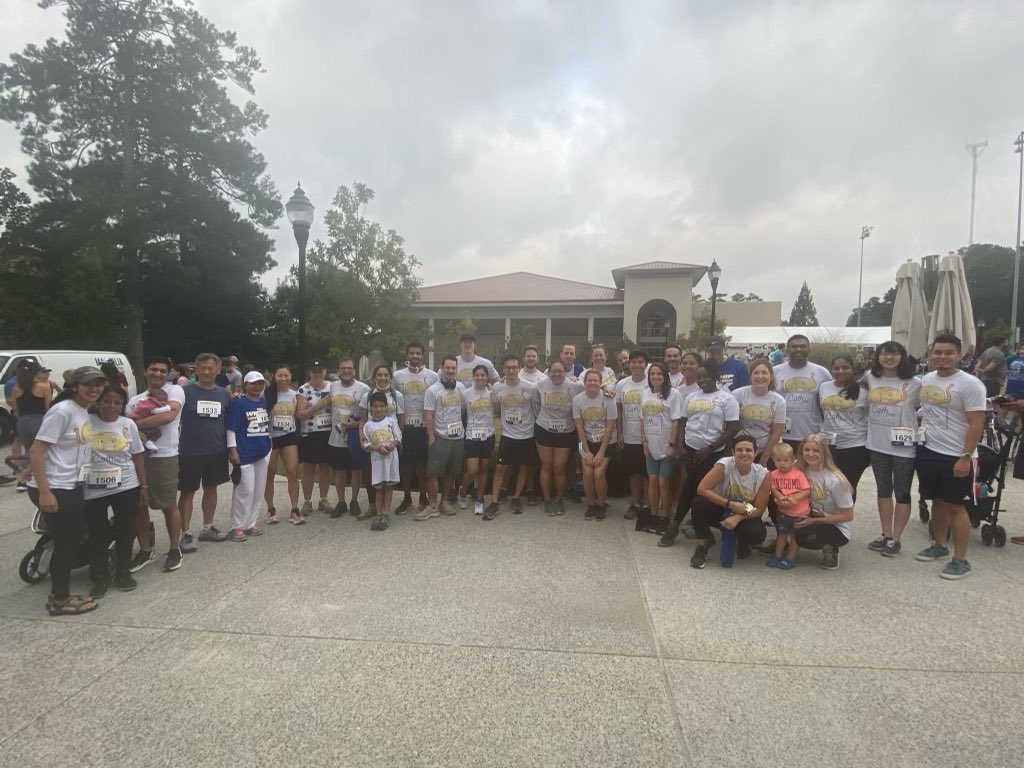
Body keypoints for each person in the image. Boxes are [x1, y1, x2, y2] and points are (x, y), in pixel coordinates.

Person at [27, 366, 107, 614]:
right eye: (88, 384)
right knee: (66, 543)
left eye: (98, 384)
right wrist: (44, 492)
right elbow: (36, 450)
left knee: (68, 540)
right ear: (75, 386)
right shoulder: (62, 411)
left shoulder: (81, 410)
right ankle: (59, 599)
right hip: (56, 487)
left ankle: (59, 594)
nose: (94, 388)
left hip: (71, 485)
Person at [914, 333, 986, 580]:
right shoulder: (926, 379)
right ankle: (940, 545)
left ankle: (961, 559)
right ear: (931, 354)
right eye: (937, 352)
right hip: (929, 449)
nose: (942, 357)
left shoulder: (970, 384)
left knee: (957, 506)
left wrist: (965, 456)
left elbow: (977, 423)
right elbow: (926, 411)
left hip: (956, 454)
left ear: (959, 354)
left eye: (948, 353)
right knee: (937, 501)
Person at [659, 359, 740, 548]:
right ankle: (683, 527)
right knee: (690, 488)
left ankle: (676, 527)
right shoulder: (691, 397)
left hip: (712, 454)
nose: (702, 380)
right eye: (700, 377)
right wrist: (681, 448)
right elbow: (684, 423)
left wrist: (710, 448)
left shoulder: (727, 399)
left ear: (715, 377)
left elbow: (733, 428)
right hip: (690, 452)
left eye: (706, 377)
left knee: (694, 490)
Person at [84, 385, 147, 593]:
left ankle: (123, 572)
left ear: (122, 405)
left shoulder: (128, 424)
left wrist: (143, 485)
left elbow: (137, 455)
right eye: (107, 401)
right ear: (98, 402)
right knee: (97, 533)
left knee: (125, 530)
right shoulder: (86, 422)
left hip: (126, 485)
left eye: (117, 402)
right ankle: (100, 576)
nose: (112, 406)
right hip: (93, 489)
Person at [127, 357, 186, 574]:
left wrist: (132, 425)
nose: (158, 374)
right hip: (138, 456)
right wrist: (132, 429)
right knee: (139, 505)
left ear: (168, 373)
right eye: (154, 370)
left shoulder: (175, 392)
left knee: (169, 504)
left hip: (165, 456)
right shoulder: (135, 400)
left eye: (163, 370)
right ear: (145, 371)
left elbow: (168, 417)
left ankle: (174, 548)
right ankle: (145, 550)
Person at [864, 341, 921, 557]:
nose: (889, 358)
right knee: (883, 490)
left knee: (903, 492)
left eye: (894, 354)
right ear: (878, 356)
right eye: (885, 354)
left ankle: (897, 538)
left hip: (904, 447)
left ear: (902, 356)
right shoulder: (870, 378)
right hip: (877, 444)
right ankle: (886, 534)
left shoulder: (915, 383)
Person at [176, 353, 232, 553]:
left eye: (211, 368)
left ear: (218, 370)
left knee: (211, 489)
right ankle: (185, 533)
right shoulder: (183, 393)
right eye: (203, 368)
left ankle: (207, 527)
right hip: (189, 451)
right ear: (195, 370)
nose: (207, 372)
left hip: (216, 450)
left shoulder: (224, 394)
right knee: (188, 492)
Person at [689, 434, 771, 569]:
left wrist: (738, 517)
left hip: (745, 512)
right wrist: (730, 504)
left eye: (749, 450)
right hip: (721, 508)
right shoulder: (724, 465)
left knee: (757, 534)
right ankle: (702, 545)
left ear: (755, 453)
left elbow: (759, 509)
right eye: (739, 450)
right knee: (699, 503)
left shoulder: (764, 475)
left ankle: (742, 542)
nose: (744, 453)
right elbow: (702, 489)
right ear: (733, 452)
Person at [483, 355, 538, 520]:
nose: (512, 370)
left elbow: (537, 406)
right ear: (503, 369)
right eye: (508, 367)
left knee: (523, 467)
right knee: (500, 468)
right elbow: (496, 406)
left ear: (519, 368)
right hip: (508, 435)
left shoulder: (530, 388)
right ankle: (494, 502)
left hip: (527, 435)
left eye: (514, 367)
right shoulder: (498, 388)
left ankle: (515, 497)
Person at [792, 434, 855, 570]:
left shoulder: (836, 480)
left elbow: (848, 516)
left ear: (824, 453)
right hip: (811, 514)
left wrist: (813, 521)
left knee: (802, 535)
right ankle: (785, 545)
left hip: (836, 527)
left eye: (816, 450)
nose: (811, 454)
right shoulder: (800, 468)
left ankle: (831, 547)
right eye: (807, 450)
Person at [393, 343, 439, 515]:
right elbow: (393, 400)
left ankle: (422, 496)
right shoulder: (397, 376)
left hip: (424, 427)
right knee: (405, 464)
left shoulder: (432, 376)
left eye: (418, 353)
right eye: (411, 353)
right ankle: (406, 498)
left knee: (423, 465)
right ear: (407, 355)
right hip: (405, 426)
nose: (415, 356)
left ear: (423, 355)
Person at [226, 371, 272, 541]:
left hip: (262, 451)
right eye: (253, 383)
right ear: (245, 384)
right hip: (244, 452)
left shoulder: (263, 401)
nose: (257, 387)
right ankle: (236, 525)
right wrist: (232, 450)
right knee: (245, 490)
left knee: (258, 490)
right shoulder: (238, 404)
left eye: (260, 383)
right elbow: (231, 428)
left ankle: (251, 522)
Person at [533, 359, 582, 516]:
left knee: (559, 467)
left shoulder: (575, 386)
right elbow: (535, 404)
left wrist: (607, 387)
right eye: (553, 371)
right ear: (548, 372)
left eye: (560, 371)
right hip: (544, 429)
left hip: (566, 431)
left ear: (565, 372)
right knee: (546, 466)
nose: (556, 374)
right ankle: (547, 499)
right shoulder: (540, 385)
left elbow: (593, 386)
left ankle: (559, 499)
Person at [419, 355, 465, 520]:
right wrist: (431, 437)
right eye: (448, 368)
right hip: (440, 437)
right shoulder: (433, 390)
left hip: (458, 438)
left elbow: (464, 410)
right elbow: (428, 416)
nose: (451, 371)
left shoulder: (461, 387)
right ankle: (432, 505)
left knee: (451, 472)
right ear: (442, 368)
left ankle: (444, 502)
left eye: (454, 368)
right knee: (432, 472)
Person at [818, 353, 870, 498]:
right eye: (836, 368)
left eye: (845, 368)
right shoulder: (824, 387)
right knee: (827, 485)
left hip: (855, 446)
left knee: (847, 486)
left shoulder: (864, 390)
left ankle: (844, 519)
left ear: (852, 369)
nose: (840, 371)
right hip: (828, 445)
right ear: (831, 370)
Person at [327, 357, 371, 520]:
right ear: (338, 370)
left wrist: (357, 423)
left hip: (354, 435)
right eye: (343, 368)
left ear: (354, 370)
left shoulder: (363, 388)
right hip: (336, 436)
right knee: (339, 471)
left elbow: (368, 413)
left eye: (349, 368)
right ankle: (340, 502)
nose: (346, 371)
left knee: (355, 470)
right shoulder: (332, 387)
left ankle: (353, 501)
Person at [358, 365, 405, 515]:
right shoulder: (367, 396)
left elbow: (401, 419)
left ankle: (384, 512)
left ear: (390, 377)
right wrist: (363, 440)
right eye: (379, 375)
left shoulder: (397, 395)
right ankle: (373, 508)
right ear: (374, 377)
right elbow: (363, 419)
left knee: (388, 480)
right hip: (373, 443)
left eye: (386, 375)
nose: (383, 378)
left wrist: (396, 443)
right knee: (372, 477)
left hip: (390, 444)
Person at [640, 362, 683, 523]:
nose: (655, 377)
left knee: (663, 481)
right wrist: (644, 442)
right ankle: (653, 513)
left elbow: (676, 422)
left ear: (665, 376)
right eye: (652, 374)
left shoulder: (673, 394)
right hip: (650, 445)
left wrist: (671, 445)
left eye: (659, 374)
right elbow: (642, 419)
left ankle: (665, 515)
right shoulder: (645, 394)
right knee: (652, 480)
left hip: (666, 446)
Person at [572, 369, 617, 520]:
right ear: (584, 383)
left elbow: (610, 426)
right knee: (587, 473)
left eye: (595, 380)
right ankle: (591, 505)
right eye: (589, 380)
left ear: (600, 383)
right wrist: (587, 451)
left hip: (607, 441)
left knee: (598, 474)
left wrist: (601, 453)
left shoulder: (608, 399)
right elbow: (579, 426)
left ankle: (601, 505)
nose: (592, 383)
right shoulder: (578, 400)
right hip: (586, 441)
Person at [772, 334, 831, 446]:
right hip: (781, 436)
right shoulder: (775, 372)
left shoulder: (822, 373)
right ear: (787, 349)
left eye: (803, 346)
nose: (799, 349)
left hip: (812, 435)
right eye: (794, 346)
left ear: (809, 349)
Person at [265, 363, 303, 525]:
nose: (283, 378)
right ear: (274, 376)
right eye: (280, 375)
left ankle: (294, 509)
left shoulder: (295, 395)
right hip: (270, 437)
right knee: (270, 473)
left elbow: (299, 415)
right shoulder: (266, 395)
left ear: (290, 377)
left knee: (292, 472)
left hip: (288, 436)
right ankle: (270, 509)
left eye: (286, 375)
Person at [295, 361, 334, 516]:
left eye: (320, 371)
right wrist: (317, 406)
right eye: (314, 371)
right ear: (309, 373)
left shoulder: (332, 387)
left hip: (328, 432)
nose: (317, 374)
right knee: (308, 468)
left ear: (325, 371)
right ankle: (307, 501)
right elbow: (300, 414)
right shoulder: (303, 389)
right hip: (310, 433)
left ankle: (323, 499)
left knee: (325, 468)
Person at [732, 359, 787, 466]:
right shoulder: (737, 395)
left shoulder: (779, 401)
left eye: (764, 373)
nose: (760, 376)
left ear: (771, 376)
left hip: (767, 451)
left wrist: (764, 460)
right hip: (743, 451)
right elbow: (732, 426)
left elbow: (777, 433)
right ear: (750, 376)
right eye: (756, 373)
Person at [616, 350, 650, 519]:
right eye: (633, 362)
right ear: (628, 364)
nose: (636, 365)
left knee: (647, 473)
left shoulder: (651, 383)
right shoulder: (622, 384)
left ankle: (648, 505)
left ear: (646, 364)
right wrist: (620, 433)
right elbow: (618, 410)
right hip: (629, 437)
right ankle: (636, 503)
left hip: (649, 438)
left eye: (640, 362)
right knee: (634, 472)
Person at [766, 443, 811, 570]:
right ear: (773, 460)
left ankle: (791, 558)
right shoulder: (773, 474)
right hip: (783, 511)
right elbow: (773, 489)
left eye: (786, 460)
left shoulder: (799, 474)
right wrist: (780, 498)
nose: (782, 463)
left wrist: (794, 499)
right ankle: (777, 555)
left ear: (792, 460)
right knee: (781, 534)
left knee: (795, 537)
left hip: (800, 512)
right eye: (778, 460)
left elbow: (806, 490)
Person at [11, 360, 53, 489]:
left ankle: (23, 479)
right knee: (41, 451)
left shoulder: (16, 388)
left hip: (22, 422)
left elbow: (16, 409)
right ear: (36, 373)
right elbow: (48, 409)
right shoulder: (44, 387)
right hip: (38, 421)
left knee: (28, 450)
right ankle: (42, 478)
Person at [361, 391, 402, 524]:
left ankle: (386, 513)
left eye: (381, 406)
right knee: (379, 488)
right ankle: (378, 513)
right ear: (370, 408)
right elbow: (366, 443)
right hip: (377, 460)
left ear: (386, 407)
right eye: (375, 406)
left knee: (389, 486)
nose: (378, 409)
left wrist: (391, 446)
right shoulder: (367, 425)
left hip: (390, 459)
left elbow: (398, 437)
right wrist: (378, 448)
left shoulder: (391, 421)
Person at [462, 365, 496, 515]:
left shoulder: (492, 394)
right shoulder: (466, 394)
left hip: (488, 434)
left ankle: (479, 498)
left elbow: (500, 410)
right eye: (477, 375)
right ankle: (462, 491)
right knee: (472, 469)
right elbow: (461, 413)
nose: (480, 378)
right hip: (471, 435)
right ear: (473, 376)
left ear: (487, 377)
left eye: (483, 375)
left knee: (483, 468)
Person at [129, 387, 170, 452]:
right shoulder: (149, 402)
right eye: (162, 400)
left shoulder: (142, 401)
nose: (163, 402)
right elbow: (154, 411)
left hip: (138, 424)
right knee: (157, 433)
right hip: (141, 425)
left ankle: (147, 444)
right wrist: (167, 408)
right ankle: (149, 442)